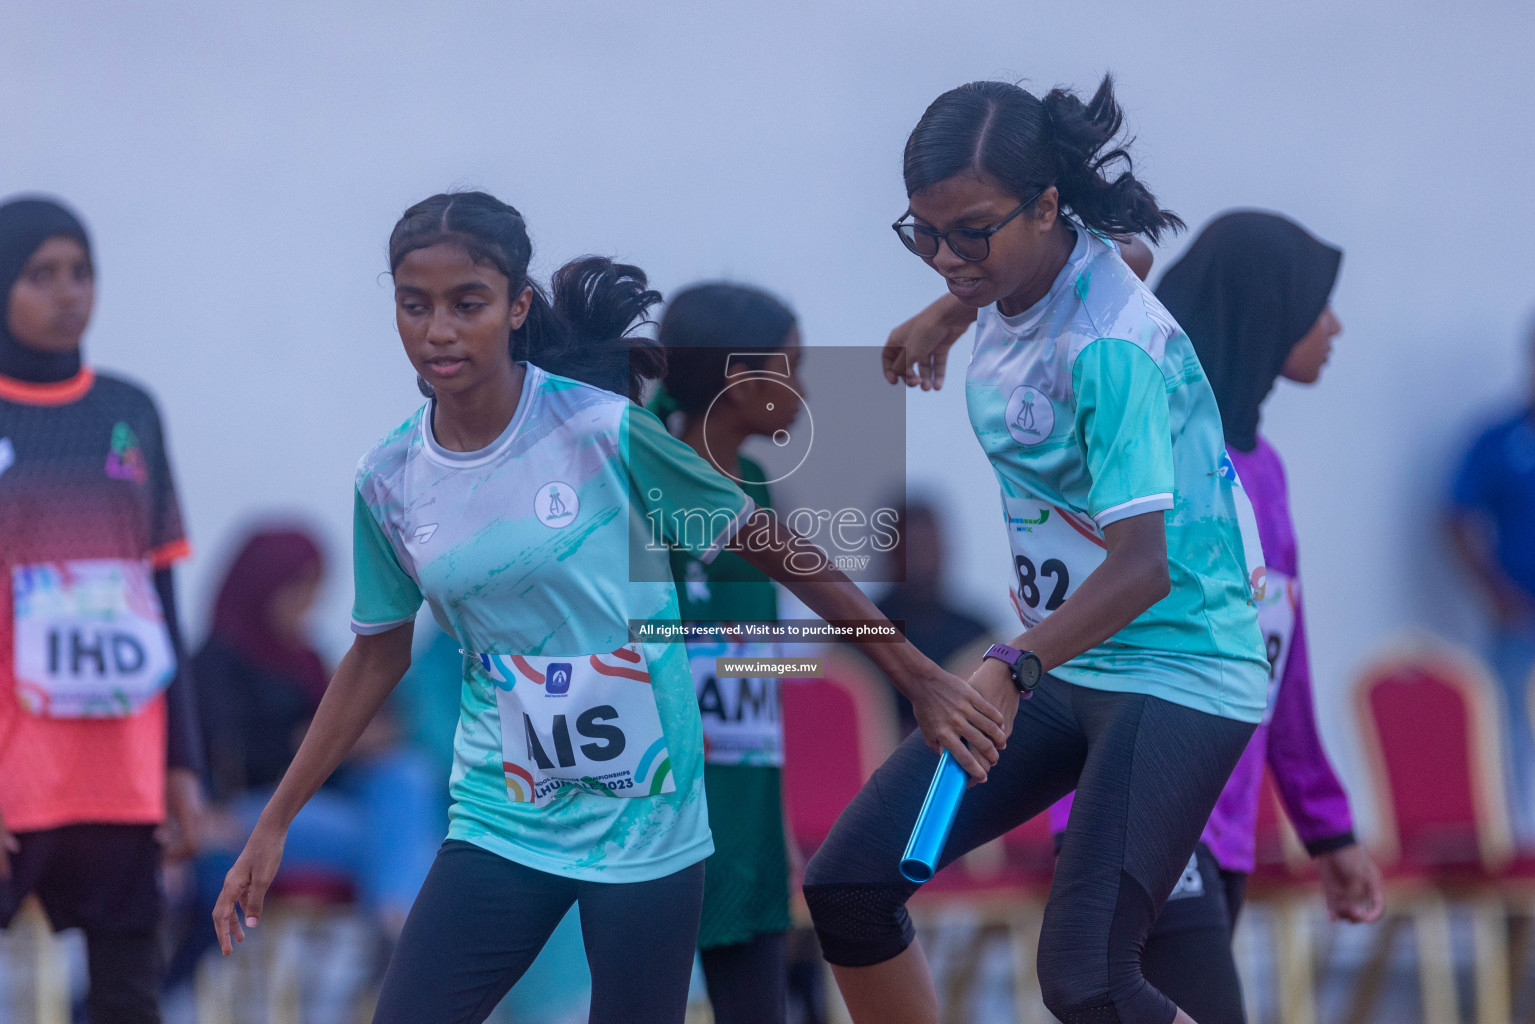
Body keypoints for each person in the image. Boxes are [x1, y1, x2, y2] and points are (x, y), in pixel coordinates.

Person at [210, 191, 1004, 1024]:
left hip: (647, 820)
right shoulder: (390, 477)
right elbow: (376, 654)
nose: (439, 329)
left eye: (466, 304)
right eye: (416, 305)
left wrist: (915, 675)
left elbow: (771, 545)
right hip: (503, 815)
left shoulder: (599, 431)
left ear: (517, 307)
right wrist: (275, 820)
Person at [802, 77, 1272, 1024]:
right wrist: (963, 303)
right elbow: (1117, 252)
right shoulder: (1047, 268)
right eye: (923, 234)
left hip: (1174, 663)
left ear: (1046, 205)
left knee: (1089, 983)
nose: (943, 258)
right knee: (849, 887)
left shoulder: (1112, 348)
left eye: (969, 233)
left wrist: (1011, 664)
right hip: (1073, 657)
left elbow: (1145, 565)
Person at [1033, 211, 1383, 1023]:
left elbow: (1277, 667)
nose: (1332, 326)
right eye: (1312, 304)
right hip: (1128, 799)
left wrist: (1326, 832)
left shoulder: (1265, 470)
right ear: (1261, 309)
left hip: (1221, 828)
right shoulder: (1144, 440)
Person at [0, 196, 205, 1023]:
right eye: (42, 275)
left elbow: (161, 597)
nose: (69, 293)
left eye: (80, 272)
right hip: (17, 771)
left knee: (129, 996)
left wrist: (182, 765)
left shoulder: (132, 411)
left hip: (123, 771)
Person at [180, 528, 439, 973]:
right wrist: (316, 742)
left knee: (407, 773)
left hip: (319, 806)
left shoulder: (307, 662)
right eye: (297, 588)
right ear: (263, 585)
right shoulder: (214, 664)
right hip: (248, 815)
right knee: (412, 845)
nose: (307, 603)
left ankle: (395, 934)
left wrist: (362, 744)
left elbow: (336, 757)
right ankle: (403, 941)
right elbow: (225, 753)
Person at [653, 282, 803, 1024]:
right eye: (792, 369)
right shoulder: (633, 465)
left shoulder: (756, 487)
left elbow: (758, 662)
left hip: (744, 806)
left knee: (756, 1004)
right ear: (742, 384)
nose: (803, 390)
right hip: (654, 804)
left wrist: (777, 829)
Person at [1449, 323, 1535, 843]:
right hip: (1520, 626)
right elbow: (1455, 516)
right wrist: (1494, 593)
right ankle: (1516, 885)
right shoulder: (1499, 439)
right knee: (1508, 745)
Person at [875, 500, 990, 735]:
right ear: (891, 552)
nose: (922, 562)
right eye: (913, 549)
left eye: (930, 548)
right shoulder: (858, 631)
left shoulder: (976, 632)